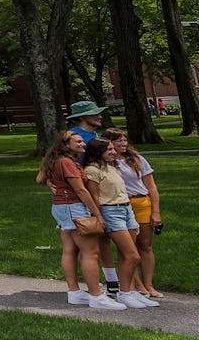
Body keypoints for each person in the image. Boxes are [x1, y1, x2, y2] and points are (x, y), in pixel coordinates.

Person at [34, 131, 126, 311]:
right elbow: (81, 191)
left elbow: (40, 178)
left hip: (61, 207)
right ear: (66, 144)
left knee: (69, 250)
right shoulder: (67, 162)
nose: (83, 144)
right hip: (74, 207)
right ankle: (96, 296)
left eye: (82, 141)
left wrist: (52, 185)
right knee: (91, 252)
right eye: (78, 141)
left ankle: (74, 292)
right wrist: (97, 214)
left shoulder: (54, 159)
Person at [79, 137, 155, 309]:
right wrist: (99, 216)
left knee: (126, 254)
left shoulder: (111, 167)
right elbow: (94, 196)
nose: (114, 152)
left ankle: (131, 291)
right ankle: (125, 293)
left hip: (126, 209)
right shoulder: (92, 170)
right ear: (99, 152)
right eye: (110, 150)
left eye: (113, 149)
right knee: (133, 256)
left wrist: (131, 216)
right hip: (110, 211)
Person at [105, 128, 165, 299]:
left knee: (145, 246)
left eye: (125, 141)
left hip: (142, 203)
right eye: (118, 141)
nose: (123, 144)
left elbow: (151, 187)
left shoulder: (137, 160)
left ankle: (149, 284)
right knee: (128, 248)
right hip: (121, 205)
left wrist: (156, 212)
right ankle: (137, 285)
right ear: (109, 143)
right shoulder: (107, 163)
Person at [64, 100, 112, 290]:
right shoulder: (75, 138)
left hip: (98, 193)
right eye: (95, 114)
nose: (100, 116)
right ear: (83, 117)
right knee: (85, 245)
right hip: (82, 197)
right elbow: (59, 164)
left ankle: (107, 282)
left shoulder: (93, 135)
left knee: (98, 242)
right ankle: (87, 288)